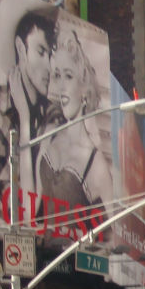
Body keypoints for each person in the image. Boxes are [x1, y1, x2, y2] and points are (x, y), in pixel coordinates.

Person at [0, 8, 56, 221]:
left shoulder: (52, 117)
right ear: (20, 49)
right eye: (41, 52)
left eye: (51, 55)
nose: (49, 67)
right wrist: (24, 122)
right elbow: (19, 215)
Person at [36, 27, 113, 218]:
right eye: (57, 75)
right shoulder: (49, 134)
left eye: (68, 76)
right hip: (37, 246)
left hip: (74, 248)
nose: (61, 86)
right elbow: (32, 209)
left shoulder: (97, 165)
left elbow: (116, 233)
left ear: (85, 89)